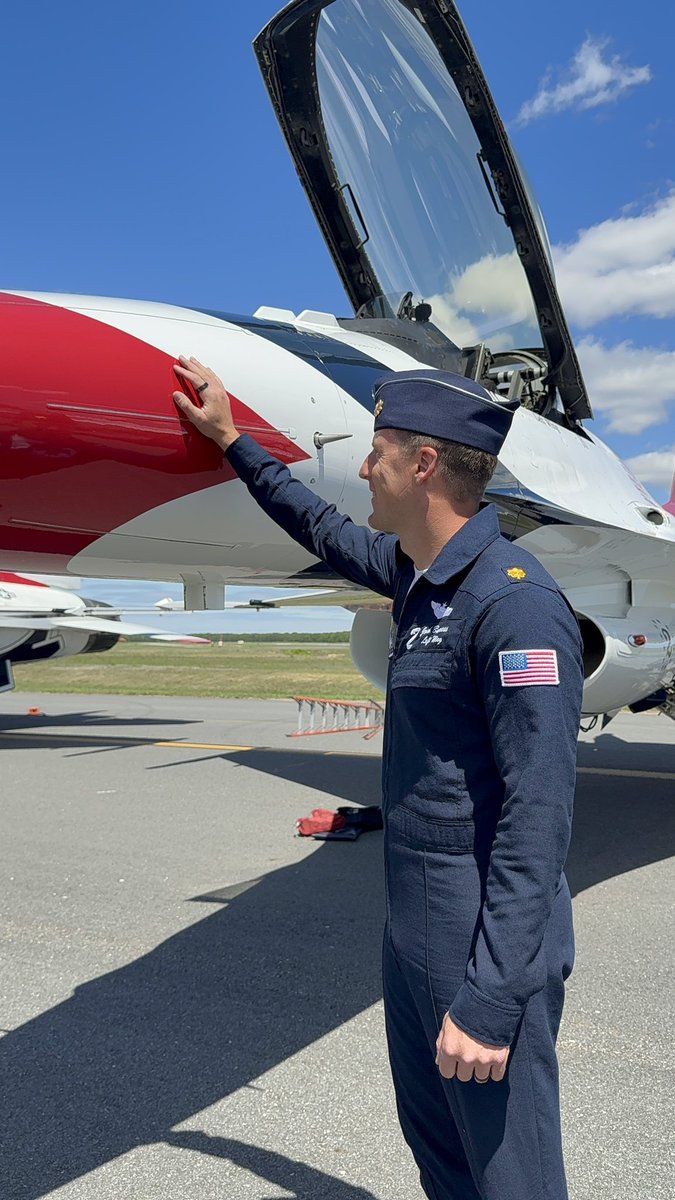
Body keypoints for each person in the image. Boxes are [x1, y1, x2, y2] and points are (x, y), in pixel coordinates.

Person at [173, 356, 584, 1200]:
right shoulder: (419, 579)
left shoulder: (511, 604)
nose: (363, 467)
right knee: (437, 1148)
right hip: (414, 917)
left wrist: (492, 997)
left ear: (422, 464)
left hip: (478, 929)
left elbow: (536, 815)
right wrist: (232, 442)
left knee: (509, 1170)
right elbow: (319, 526)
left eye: (376, 450)